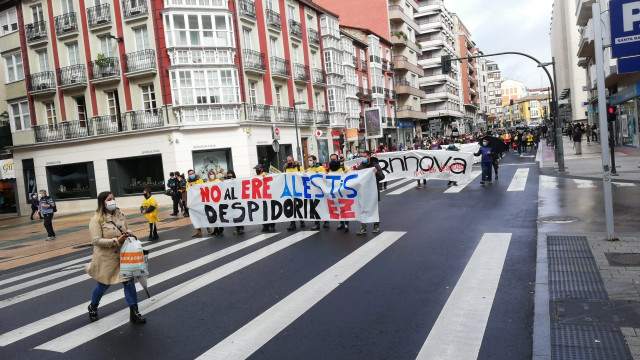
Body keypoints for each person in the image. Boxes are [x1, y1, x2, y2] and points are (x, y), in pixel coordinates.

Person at [85, 191, 146, 324]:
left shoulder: (120, 214)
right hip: (106, 258)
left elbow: (128, 229)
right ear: (103, 202)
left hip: (123, 255)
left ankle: (134, 312)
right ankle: (93, 306)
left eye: (113, 198)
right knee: (103, 285)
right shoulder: (96, 219)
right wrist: (116, 240)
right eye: (109, 199)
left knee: (129, 282)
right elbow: (96, 240)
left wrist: (128, 234)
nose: (112, 201)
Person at [356, 151, 384, 235]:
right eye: (363, 156)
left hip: (373, 190)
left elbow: (382, 177)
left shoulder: (375, 165)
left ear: (369, 156)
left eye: (365, 156)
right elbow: (356, 176)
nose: (363, 158)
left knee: (374, 208)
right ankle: (363, 227)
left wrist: (376, 172)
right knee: (363, 208)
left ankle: (376, 225)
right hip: (363, 191)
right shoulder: (361, 167)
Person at [186, 169, 212, 237]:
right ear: (188, 175)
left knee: (203, 213)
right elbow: (188, 194)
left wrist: (195, 185)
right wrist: (187, 203)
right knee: (195, 216)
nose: (191, 175)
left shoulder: (200, 180)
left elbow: (202, 188)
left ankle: (208, 227)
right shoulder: (187, 183)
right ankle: (198, 230)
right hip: (193, 202)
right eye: (190, 174)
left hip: (200, 200)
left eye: (192, 173)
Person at [283, 156, 305, 231]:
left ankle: (302, 220)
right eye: (287, 161)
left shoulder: (299, 168)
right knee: (291, 206)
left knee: (299, 205)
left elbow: (304, 176)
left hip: (299, 190)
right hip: (290, 190)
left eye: (290, 161)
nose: (289, 162)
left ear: (293, 160)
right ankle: (292, 223)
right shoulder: (286, 169)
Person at [255, 164, 276, 232]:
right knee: (262, 212)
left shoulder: (267, 174)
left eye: (258, 169)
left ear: (261, 169)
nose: (256, 170)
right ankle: (265, 226)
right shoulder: (255, 177)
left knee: (269, 211)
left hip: (267, 196)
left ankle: (272, 226)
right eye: (256, 169)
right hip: (260, 197)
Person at [207, 169, 224, 235]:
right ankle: (215, 229)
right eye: (210, 174)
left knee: (219, 215)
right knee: (213, 215)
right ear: (208, 175)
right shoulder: (207, 182)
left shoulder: (218, 181)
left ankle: (221, 228)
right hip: (211, 201)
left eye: (212, 174)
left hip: (218, 200)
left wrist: (223, 181)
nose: (211, 175)